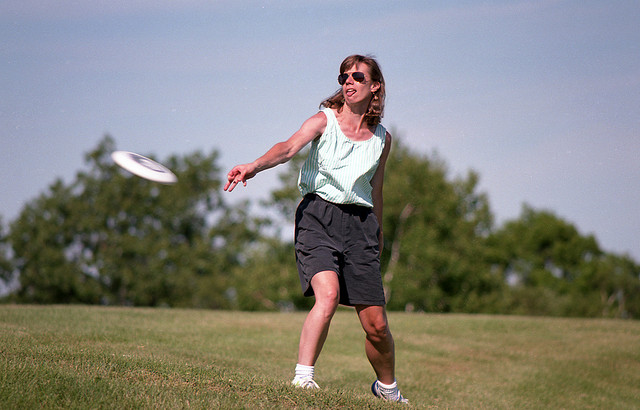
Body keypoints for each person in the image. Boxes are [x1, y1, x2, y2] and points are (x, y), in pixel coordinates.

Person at [224, 54, 408, 404]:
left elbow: (376, 188)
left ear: (375, 86)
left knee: (377, 325)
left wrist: (379, 231)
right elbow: (287, 148)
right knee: (328, 295)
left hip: (361, 225)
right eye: (344, 76)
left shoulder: (382, 139)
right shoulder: (324, 120)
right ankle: (303, 378)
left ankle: (388, 388)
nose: (348, 81)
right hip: (318, 216)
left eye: (357, 76)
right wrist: (254, 166)